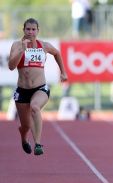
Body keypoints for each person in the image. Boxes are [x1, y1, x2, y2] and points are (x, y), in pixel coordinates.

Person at [8, 18, 68, 155]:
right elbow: (11, 66)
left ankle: (38, 144)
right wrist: (22, 51)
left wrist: (63, 72)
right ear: (23, 30)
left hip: (40, 88)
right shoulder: (17, 46)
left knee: (35, 107)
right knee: (25, 126)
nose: (30, 32)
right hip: (22, 90)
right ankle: (24, 138)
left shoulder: (44, 46)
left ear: (38, 31)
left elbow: (57, 53)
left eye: (33, 29)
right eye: (28, 29)